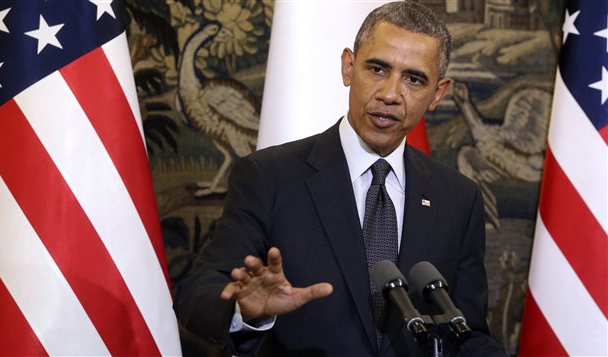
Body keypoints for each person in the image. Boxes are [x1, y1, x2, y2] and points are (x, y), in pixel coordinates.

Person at [174, 2, 506, 356]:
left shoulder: (458, 197)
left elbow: (466, 331)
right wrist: (245, 310)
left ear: (438, 93)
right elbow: (197, 294)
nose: (390, 94)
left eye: (413, 79)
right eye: (378, 69)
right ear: (349, 67)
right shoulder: (269, 176)